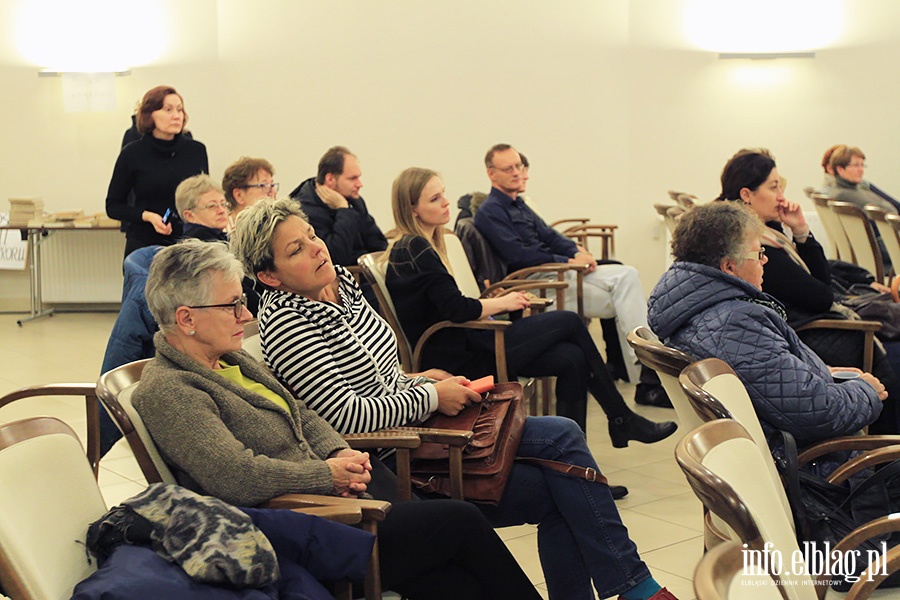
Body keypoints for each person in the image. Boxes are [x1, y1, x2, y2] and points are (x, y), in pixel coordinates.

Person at [232, 198, 677, 600]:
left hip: (422, 427)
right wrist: (430, 396)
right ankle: (636, 584)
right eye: (295, 250)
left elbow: (377, 374)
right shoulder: (288, 323)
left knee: (566, 450)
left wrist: (418, 379)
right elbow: (344, 417)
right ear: (269, 275)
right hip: (397, 457)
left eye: (310, 235)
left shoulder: (343, 285)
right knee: (564, 474)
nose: (315, 248)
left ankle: (632, 584)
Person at [131, 239, 543, 600]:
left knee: (459, 585)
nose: (245, 315)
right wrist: (325, 475)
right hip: (300, 532)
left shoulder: (229, 359)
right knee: (460, 519)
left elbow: (303, 414)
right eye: (232, 305)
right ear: (186, 319)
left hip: (336, 503)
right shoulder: (170, 390)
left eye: (242, 302)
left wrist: (340, 453)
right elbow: (237, 477)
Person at [384, 167, 675, 448]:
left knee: (572, 358)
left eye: (443, 194)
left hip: (468, 339)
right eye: (435, 199)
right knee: (570, 322)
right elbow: (456, 309)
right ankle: (621, 418)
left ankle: (574, 462)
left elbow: (447, 305)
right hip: (459, 355)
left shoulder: (424, 244)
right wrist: (502, 302)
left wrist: (493, 302)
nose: (446, 202)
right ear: (412, 210)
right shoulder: (414, 248)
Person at [647, 202, 886, 457]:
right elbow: (818, 413)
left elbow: (778, 384)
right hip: (818, 472)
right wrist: (866, 391)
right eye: (758, 253)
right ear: (729, 267)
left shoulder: (698, 308)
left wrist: (822, 373)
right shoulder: (735, 325)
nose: (765, 259)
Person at [715, 149, 900, 434]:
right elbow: (822, 296)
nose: (781, 196)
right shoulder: (754, 247)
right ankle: (887, 458)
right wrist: (800, 233)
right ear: (747, 194)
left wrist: (799, 231)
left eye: (782, 186)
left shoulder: (751, 230)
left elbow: (816, 284)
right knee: (890, 355)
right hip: (800, 332)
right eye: (774, 187)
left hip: (793, 326)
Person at [473, 143, 671, 407]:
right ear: (491, 174)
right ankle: (646, 376)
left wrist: (576, 251)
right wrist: (568, 260)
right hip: (538, 283)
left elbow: (549, 235)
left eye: (519, 165)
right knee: (625, 286)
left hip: (556, 273)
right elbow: (519, 256)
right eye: (508, 168)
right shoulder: (490, 211)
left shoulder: (518, 204)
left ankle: (645, 376)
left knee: (627, 277)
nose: (518, 172)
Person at [105, 85, 208, 258]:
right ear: (149, 115)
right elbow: (113, 206)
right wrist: (147, 216)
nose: (176, 115)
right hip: (145, 243)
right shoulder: (132, 153)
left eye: (180, 110)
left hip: (189, 243)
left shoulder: (196, 150)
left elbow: (203, 196)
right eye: (168, 110)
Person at [289, 146, 387, 267]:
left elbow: (380, 245)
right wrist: (344, 210)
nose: (360, 184)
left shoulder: (354, 200)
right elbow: (336, 257)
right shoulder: (303, 209)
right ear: (330, 179)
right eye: (353, 178)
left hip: (367, 273)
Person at [222, 156, 279, 229]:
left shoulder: (276, 226)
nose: (273, 192)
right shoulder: (223, 233)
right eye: (264, 186)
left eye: (272, 185)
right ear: (239, 195)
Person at [175, 174, 229, 242]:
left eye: (223, 204)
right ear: (190, 216)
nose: (222, 211)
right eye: (212, 206)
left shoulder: (220, 237)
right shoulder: (203, 246)